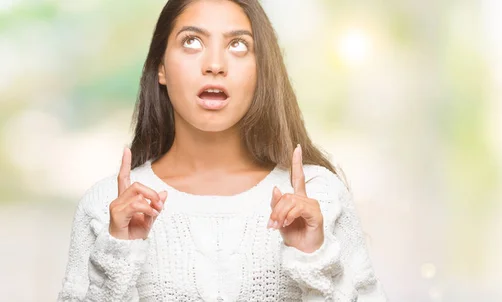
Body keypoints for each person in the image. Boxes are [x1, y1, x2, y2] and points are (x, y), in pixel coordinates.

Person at [57, 0, 387, 300]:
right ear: (160, 68)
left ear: (261, 71)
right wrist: (118, 255)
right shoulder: (105, 208)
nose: (215, 64)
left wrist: (313, 260)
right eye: (192, 41)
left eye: (238, 45)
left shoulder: (321, 198)